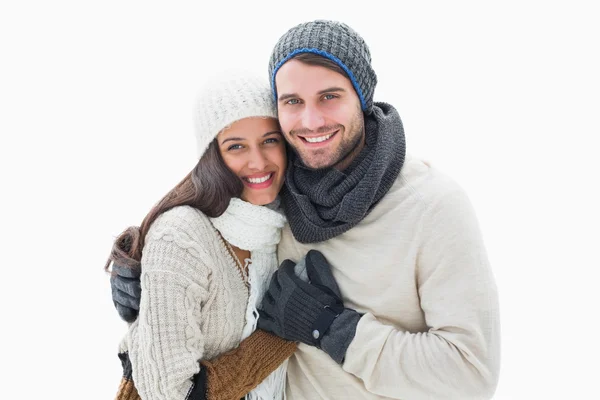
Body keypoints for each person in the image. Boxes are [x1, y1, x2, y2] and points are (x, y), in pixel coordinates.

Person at [111, 20, 501, 399]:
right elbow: (207, 226)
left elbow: (472, 373)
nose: (311, 121)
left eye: (330, 96)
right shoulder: (281, 187)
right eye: (293, 102)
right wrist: (148, 275)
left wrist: (330, 327)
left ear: (362, 97)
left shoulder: (432, 206)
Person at [106, 71, 300, 400]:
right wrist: (278, 336)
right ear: (212, 156)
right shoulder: (182, 235)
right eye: (236, 146)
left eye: (270, 140)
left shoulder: (280, 228)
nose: (258, 161)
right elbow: (170, 393)